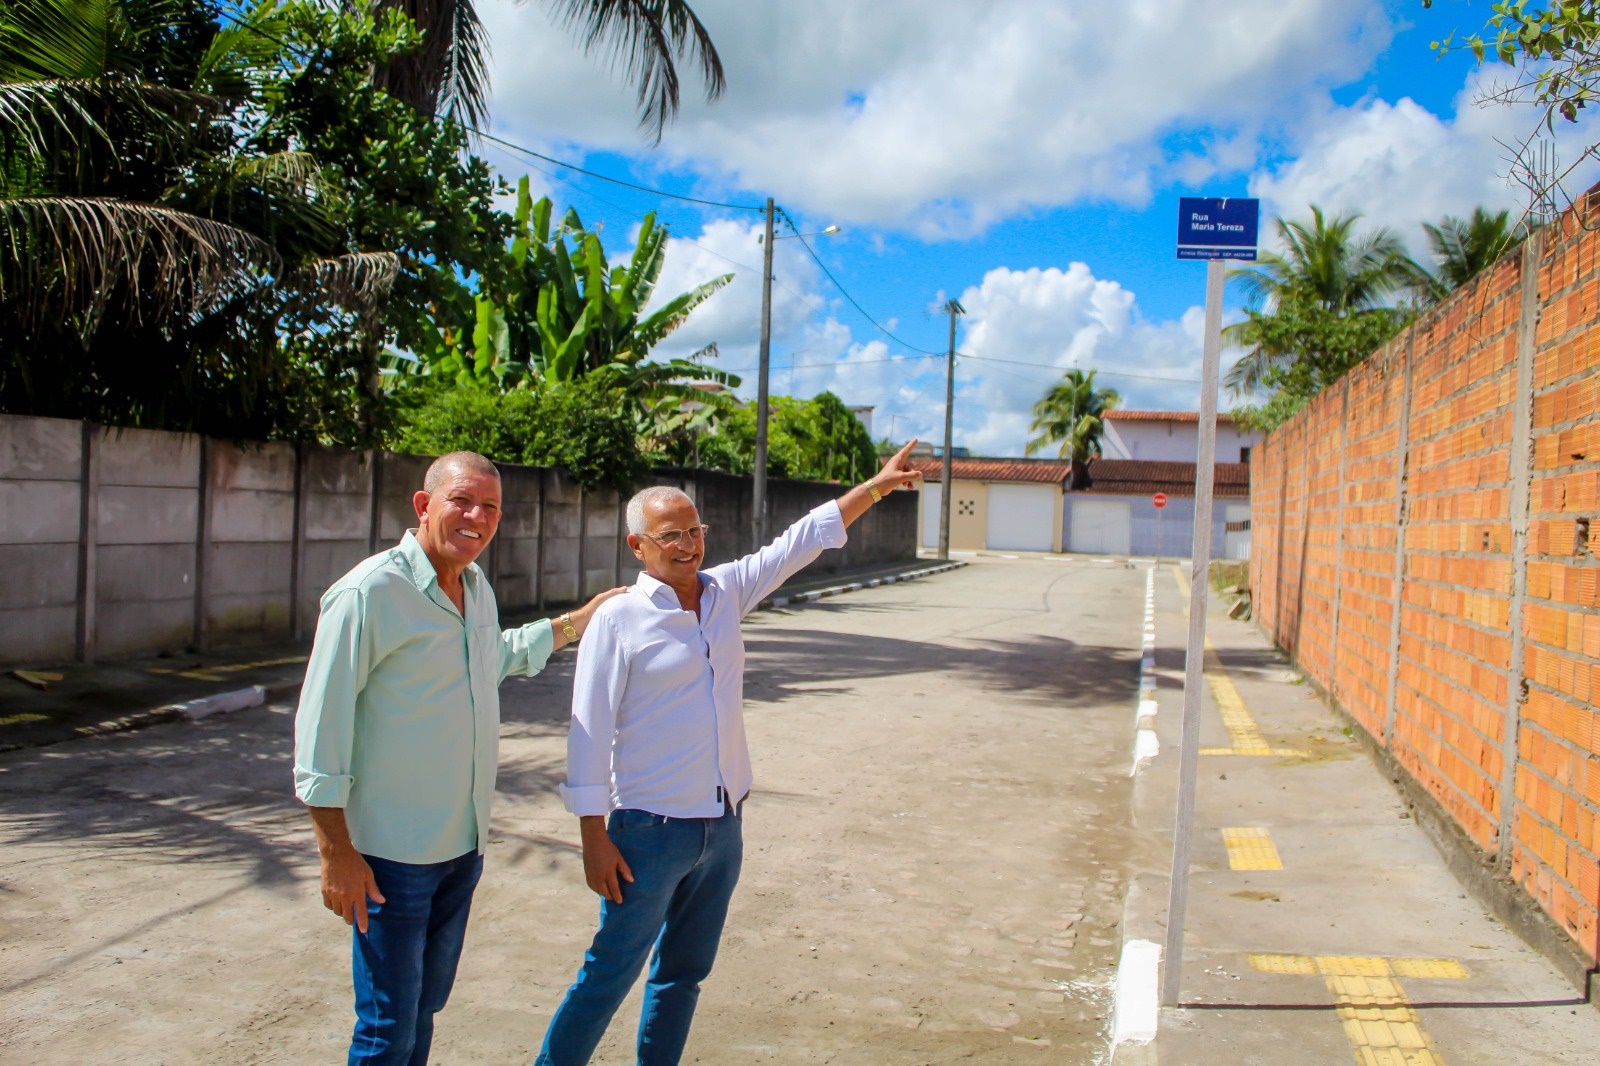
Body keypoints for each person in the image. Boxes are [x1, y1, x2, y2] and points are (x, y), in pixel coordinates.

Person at [535, 440, 925, 1066]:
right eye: (671, 536)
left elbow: (802, 539)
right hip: (646, 833)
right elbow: (589, 730)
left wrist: (875, 487)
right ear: (638, 547)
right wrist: (592, 834)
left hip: (723, 826)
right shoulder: (619, 620)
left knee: (683, 974)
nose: (688, 545)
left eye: (694, 531)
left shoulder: (724, 594)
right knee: (608, 974)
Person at [293, 450, 622, 1066]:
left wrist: (573, 624)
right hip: (390, 858)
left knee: (422, 1009)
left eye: (490, 507)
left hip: (459, 849)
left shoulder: (475, 587)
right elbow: (320, 731)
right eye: (462, 501)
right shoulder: (369, 593)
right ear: (424, 505)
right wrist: (336, 851)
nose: (477, 517)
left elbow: (491, 659)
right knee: (387, 1026)